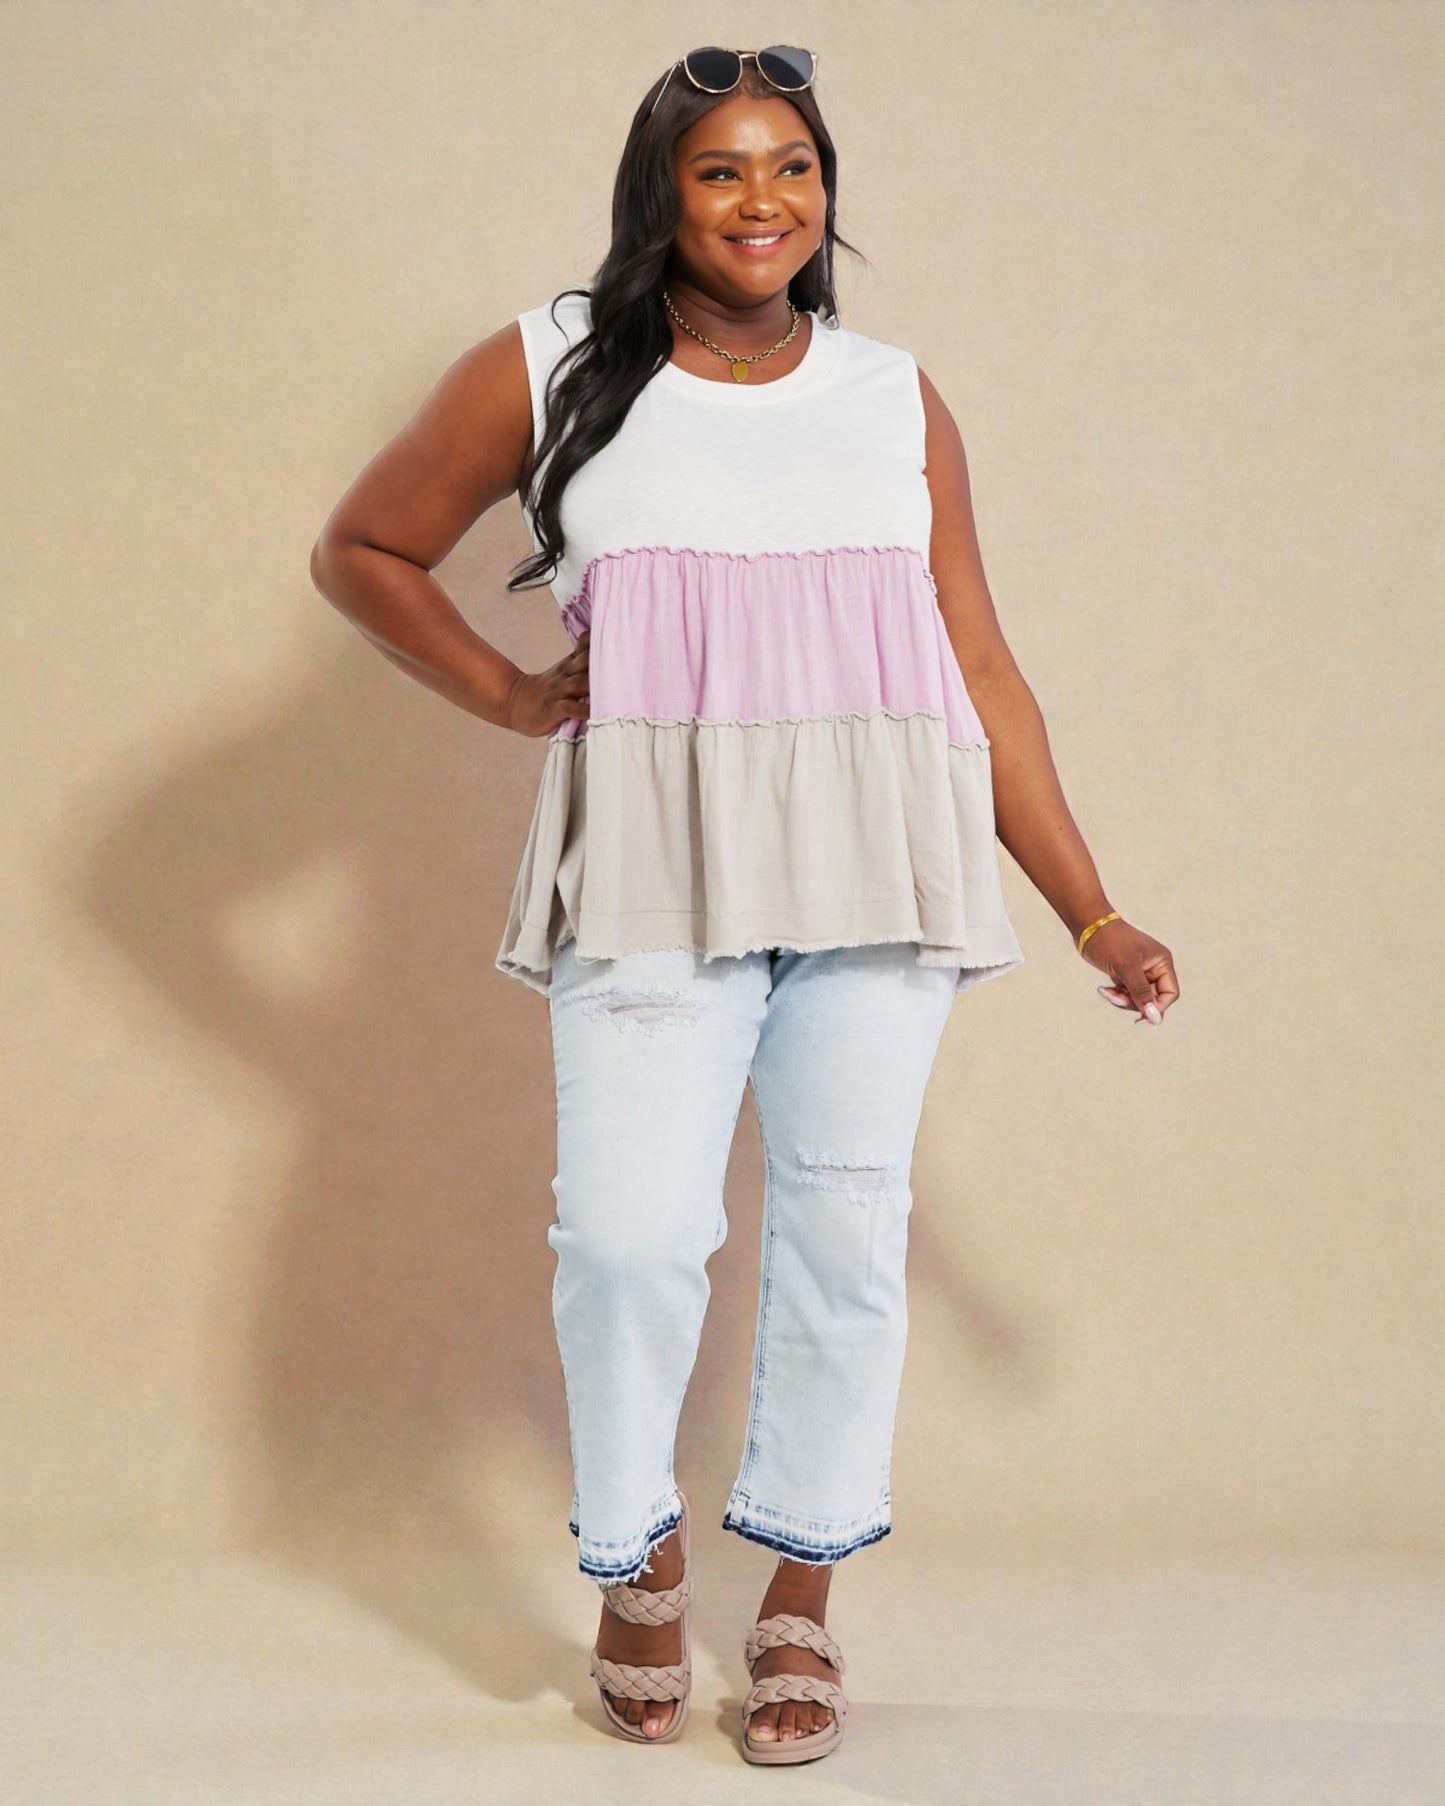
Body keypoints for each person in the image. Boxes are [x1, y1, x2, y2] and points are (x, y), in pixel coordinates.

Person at [310, 43, 1179, 1768]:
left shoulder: (889, 394)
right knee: (628, 1238)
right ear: (661, 193)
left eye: (793, 166)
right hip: (650, 863)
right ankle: (637, 1561)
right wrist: (499, 692)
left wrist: (1090, 907)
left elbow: (977, 662)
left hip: (879, 865)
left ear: (825, 190)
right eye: (722, 171)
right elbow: (364, 547)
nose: (764, 201)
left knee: (843, 1236)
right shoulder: (551, 368)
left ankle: (797, 1602)